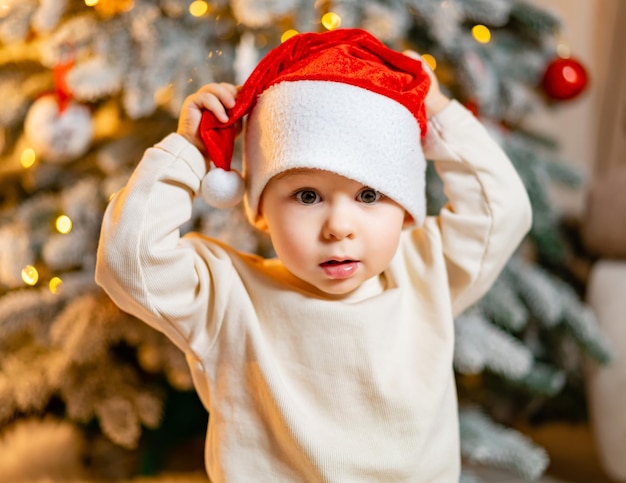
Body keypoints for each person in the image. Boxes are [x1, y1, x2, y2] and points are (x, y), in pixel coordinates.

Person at [96, 28, 532, 482]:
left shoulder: (427, 273)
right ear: (261, 208)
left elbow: (503, 209)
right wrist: (189, 152)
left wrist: (437, 113)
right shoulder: (227, 296)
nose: (339, 226)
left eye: (368, 194)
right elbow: (130, 259)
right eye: (307, 196)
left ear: (405, 209)